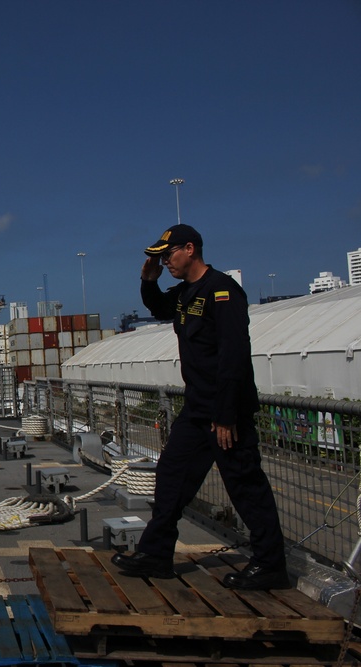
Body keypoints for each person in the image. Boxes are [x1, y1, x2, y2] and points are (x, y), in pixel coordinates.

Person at [111, 224, 288, 590]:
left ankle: (271, 565)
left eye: (168, 255)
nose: (165, 262)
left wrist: (226, 415)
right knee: (172, 479)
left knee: (244, 486)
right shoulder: (184, 294)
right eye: (160, 257)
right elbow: (160, 307)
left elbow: (233, 357)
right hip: (196, 410)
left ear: (189, 249)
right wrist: (148, 280)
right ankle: (156, 554)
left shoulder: (222, 292)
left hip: (227, 411)